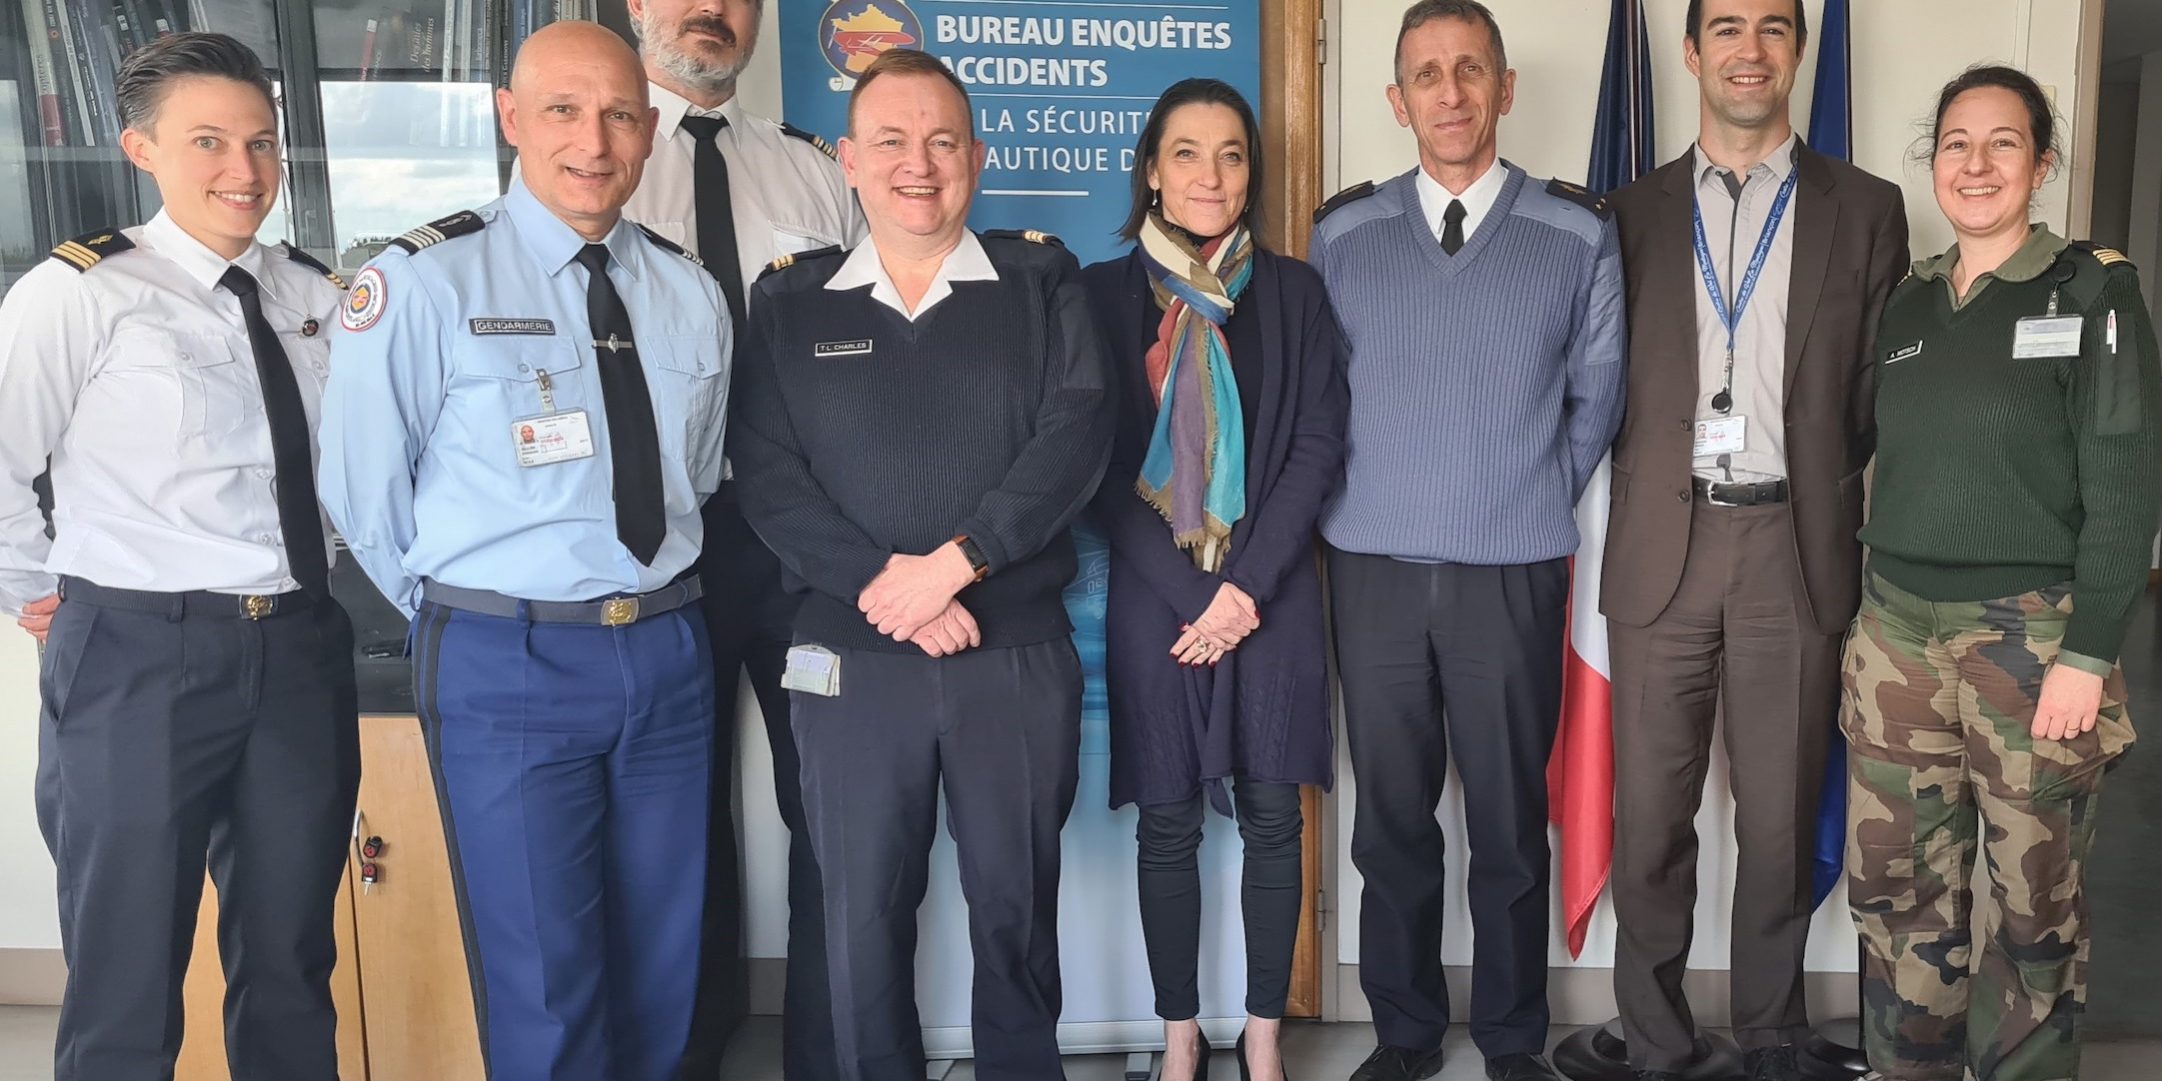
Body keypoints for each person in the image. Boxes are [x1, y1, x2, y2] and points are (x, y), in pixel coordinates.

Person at [316, 22, 730, 1081]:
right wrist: (476, 619)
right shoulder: (423, 283)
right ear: (510, 119)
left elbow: (700, 472)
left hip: (670, 649)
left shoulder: (688, 291)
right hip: (509, 659)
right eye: (562, 110)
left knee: (667, 962)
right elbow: (364, 496)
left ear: (647, 133)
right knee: (545, 977)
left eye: (620, 114)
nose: (593, 141)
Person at [729, 47, 1114, 1081]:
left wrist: (955, 563)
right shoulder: (790, 303)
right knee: (857, 916)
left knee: (1013, 907)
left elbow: (1074, 435)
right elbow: (767, 479)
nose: (918, 164)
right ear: (848, 160)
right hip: (849, 662)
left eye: (943, 142)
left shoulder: (1040, 280)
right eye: (891, 141)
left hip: (1011, 653)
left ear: (976, 159)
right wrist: (886, 586)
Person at [0, 32, 357, 1081]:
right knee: (126, 970)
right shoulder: (82, 293)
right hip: (139, 655)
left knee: (292, 954)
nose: (242, 170)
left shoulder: (310, 295)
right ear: (142, 148)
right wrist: (46, 596)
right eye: (208, 141)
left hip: (296, 648)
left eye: (260, 142)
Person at [1309, 4, 1626, 1080]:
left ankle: (1508, 1037)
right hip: (1372, 573)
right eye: (1426, 76)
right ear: (1397, 101)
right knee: (1390, 821)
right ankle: (1402, 1030)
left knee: (1504, 825)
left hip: (1512, 573)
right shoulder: (1340, 235)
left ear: (1502, 88)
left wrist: (1515, 495)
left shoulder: (1577, 235)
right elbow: (1322, 400)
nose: (1449, 93)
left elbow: (1594, 403)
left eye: (1469, 72)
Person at [1597, 0, 1910, 1078]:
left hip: (1793, 543)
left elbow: (1871, 391)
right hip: (1658, 548)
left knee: (1775, 824)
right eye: (1723, 26)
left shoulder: (1865, 208)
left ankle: (1771, 1034)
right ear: (1689, 53)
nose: (1747, 48)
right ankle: (1652, 1040)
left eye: (1771, 27)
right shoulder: (1626, 212)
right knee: (1649, 824)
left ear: (1794, 51)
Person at [1844, 64, 2160, 1081]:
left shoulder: (2091, 290)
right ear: (1930, 162)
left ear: (2040, 163)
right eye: (1953, 143)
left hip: (2029, 643)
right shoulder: (1903, 304)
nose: (1973, 163)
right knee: (1895, 896)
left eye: (2001, 143)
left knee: (2034, 912)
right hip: (1893, 635)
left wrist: (2088, 651)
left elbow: (2123, 485)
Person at [1080, 78, 1347, 1081]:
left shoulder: (1293, 293)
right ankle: (1179, 1040)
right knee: (1167, 816)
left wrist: (1242, 590)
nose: (1208, 174)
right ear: (1150, 169)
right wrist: (1198, 597)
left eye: (1230, 153)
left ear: (1251, 171)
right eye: (1184, 153)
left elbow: (1318, 445)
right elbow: (1098, 465)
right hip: (1160, 596)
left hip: (1267, 598)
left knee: (1275, 813)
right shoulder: (1101, 297)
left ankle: (1262, 1042)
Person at [619, 2, 865, 1076]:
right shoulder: (600, 158)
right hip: (659, 545)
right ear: (635, 6)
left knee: (829, 794)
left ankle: (829, 1041)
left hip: (806, 543)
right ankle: (688, 1042)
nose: (709, 11)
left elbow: (880, 348)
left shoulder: (814, 172)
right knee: (672, 812)